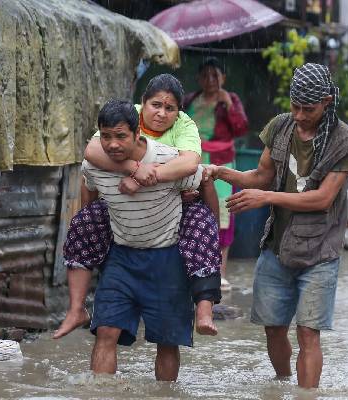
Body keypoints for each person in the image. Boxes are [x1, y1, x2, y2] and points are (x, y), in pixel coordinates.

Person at [204, 63, 348, 389]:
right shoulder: (281, 126)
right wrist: (221, 172)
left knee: (308, 332)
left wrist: (267, 197)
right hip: (276, 246)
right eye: (295, 107)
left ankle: (306, 395)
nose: (301, 115)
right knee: (273, 327)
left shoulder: (345, 142)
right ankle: (282, 383)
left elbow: (322, 199)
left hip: (321, 251)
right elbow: (261, 175)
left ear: (328, 101)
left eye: (309, 108)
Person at [53, 74, 222, 340]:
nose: (162, 113)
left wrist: (145, 178)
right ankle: (76, 309)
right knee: (84, 221)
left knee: (203, 225)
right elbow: (92, 151)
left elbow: (191, 165)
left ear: (178, 112)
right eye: (156, 105)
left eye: (170, 108)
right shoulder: (124, 117)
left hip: (178, 198)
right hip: (124, 209)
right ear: (142, 105)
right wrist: (133, 169)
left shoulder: (185, 126)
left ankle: (205, 309)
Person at [82, 99, 206, 380]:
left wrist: (205, 242)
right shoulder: (94, 164)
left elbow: (200, 180)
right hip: (121, 256)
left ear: (138, 134)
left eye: (121, 136)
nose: (112, 144)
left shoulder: (168, 159)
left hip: (166, 258)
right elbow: (87, 190)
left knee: (167, 340)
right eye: (106, 137)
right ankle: (100, 394)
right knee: (105, 331)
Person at [184, 57, 249, 289]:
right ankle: (194, 267)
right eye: (205, 75)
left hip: (221, 164)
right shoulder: (190, 99)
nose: (210, 80)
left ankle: (219, 271)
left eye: (215, 75)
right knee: (192, 208)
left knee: (222, 213)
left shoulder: (230, 100)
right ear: (198, 79)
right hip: (193, 160)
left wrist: (229, 105)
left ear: (223, 78)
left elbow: (241, 128)